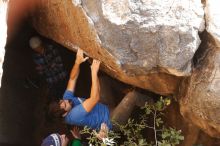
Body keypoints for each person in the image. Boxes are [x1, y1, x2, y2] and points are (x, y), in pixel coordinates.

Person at [49, 48, 112, 130]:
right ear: (64, 114)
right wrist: (93, 73)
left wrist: (77, 62)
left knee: (102, 78)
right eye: (65, 104)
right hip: (109, 120)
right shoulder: (74, 115)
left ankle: (123, 89)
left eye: (62, 100)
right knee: (132, 95)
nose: (66, 100)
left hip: (102, 105)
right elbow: (95, 98)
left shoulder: (66, 100)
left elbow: (72, 79)